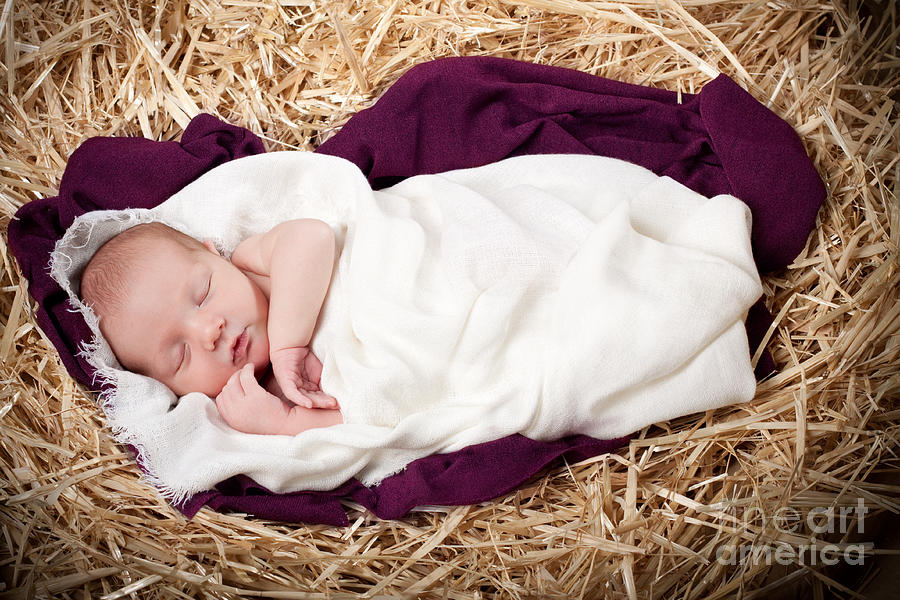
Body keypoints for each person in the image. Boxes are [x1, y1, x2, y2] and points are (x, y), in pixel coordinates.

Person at [79, 220, 344, 436]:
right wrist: (285, 423)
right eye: (181, 355)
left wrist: (288, 345)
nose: (209, 332)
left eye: (203, 295)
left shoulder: (253, 264)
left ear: (215, 255)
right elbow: (362, 425)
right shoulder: (258, 401)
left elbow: (313, 236)